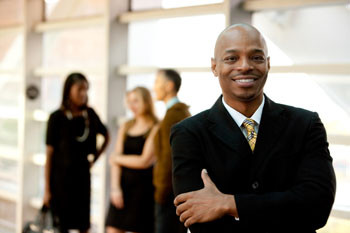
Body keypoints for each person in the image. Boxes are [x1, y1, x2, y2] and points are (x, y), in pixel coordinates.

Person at [171, 24, 336, 233]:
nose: (245, 66)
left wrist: (229, 204)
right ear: (214, 66)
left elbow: (317, 207)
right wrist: (285, 206)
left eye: (256, 57)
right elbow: (197, 219)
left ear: (267, 64)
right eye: (232, 58)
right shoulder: (189, 133)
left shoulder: (305, 124)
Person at [114, 69, 190, 233]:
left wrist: (160, 192)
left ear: (169, 86)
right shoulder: (174, 114)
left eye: (157, 82)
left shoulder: (173, 116)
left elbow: (167, 159)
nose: (154, 88)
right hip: (167, 193)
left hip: (166, 195)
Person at [43, 72, 109, 233]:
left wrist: (94, 159)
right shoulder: (56, 117)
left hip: (82, 178)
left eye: (86, 89)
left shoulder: (90, 115)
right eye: (79, 89)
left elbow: (106, 136)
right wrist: (46, 190)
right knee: (61, 225)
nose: (83, 94)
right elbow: (49, 155)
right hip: (60, 181)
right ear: (68, 90)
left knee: (83, 224)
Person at [106, 87, 158, 233]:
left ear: (146, 102)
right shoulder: (126, 126)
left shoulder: (155, 127)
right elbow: (114, 162)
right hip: (121, 189)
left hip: (142, 191)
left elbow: (144, 161)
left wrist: (117, 158)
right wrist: (115, 188)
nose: (132, 106)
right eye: (129, 102)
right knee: (112, 228)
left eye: (136, 101)